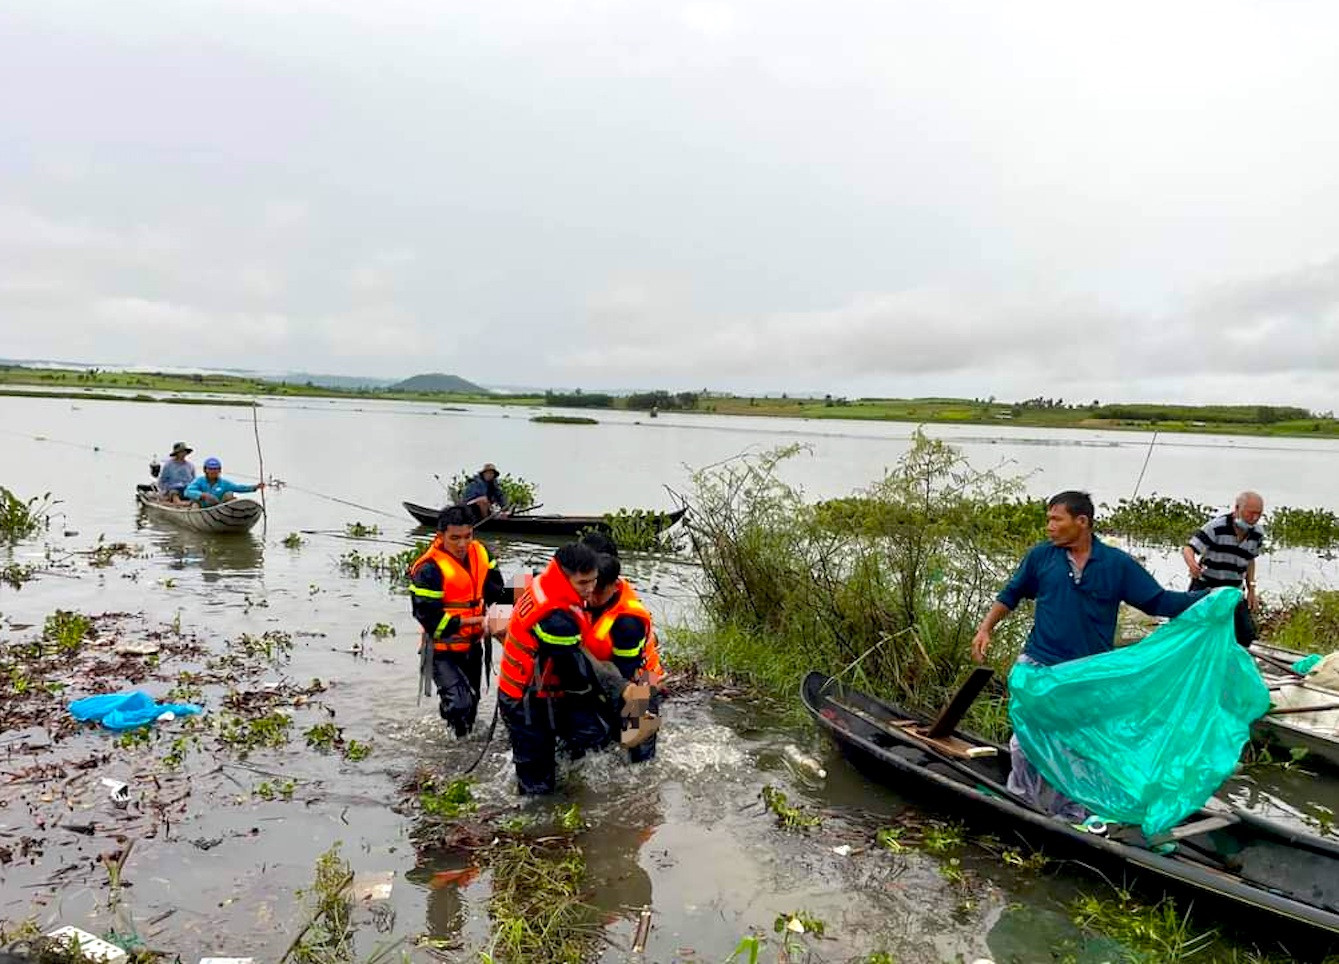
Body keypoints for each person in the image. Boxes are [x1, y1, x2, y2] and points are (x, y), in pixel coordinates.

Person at [971, 490, 1205, 821]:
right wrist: (985, 629)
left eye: (1056, 519)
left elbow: (1159, 602)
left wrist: (1210, 598)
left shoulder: (1116, 564)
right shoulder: (1042, 558)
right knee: (1024, 743)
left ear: (1082, 522)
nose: (1049, 526)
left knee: (1077, 748)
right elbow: (1011, 594)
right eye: (1048, 519)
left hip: (1087, 675)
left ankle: (1069, 817)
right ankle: (1020, 805)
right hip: (1040, 666)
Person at [497, 542, 638, 794]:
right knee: (537, 777)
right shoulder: (556, 617)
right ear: (563, 576)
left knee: (634, 733)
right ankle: (537, 822)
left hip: (636, 679)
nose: (590, 590)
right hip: (524, 697)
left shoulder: (544, 582)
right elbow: (576, 669)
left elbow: (627, 669)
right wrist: (619, 689)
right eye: (583, 583)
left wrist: (624, 690)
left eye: (594, 582)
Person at [408, 505, 510, 735]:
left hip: (473, 648)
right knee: (460, 705)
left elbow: (497, 592)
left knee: (470, 709)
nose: (463, 544)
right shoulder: (428, 569)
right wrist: (480, 622)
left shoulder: (482, 554)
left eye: (468, 536)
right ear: (440, 536)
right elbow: (430, 620)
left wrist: (523, 592)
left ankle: (457, 740)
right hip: (441, 652)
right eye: (455, 538)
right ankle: (451, 746)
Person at [581, 532, 665, 763]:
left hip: (639, 682)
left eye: (598, 590)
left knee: (640, 758)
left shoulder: (628, 620)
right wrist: (501, 612)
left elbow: (623, 677)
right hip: (604, 671)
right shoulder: (579, 586)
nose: (591, 595)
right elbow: (527, 580)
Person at [1183, 491, 1265, 609]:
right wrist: (1192, 564)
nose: (1255, 518)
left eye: (1259, 514)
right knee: (1194, 624)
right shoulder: (1216, 527)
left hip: (1233, 590)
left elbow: (1250, 561)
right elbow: (1189, 548)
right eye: (1250, 513)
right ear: (1237, 508)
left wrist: (1251, 589)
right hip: (1206, 587)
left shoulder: (1257, 534)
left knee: (1245, 627)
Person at [184, 457, 264, 506]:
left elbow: (238, 488)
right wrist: (203, 495)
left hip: (217, 507)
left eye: (216, 469)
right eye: (210, 469)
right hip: (202, 507)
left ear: (220, 470)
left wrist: (255, 487)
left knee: (229, 495)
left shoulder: (224, 483)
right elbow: (187, 491)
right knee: (195, 505)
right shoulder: (199, 481)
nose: (213, 471)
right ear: (205, 470)